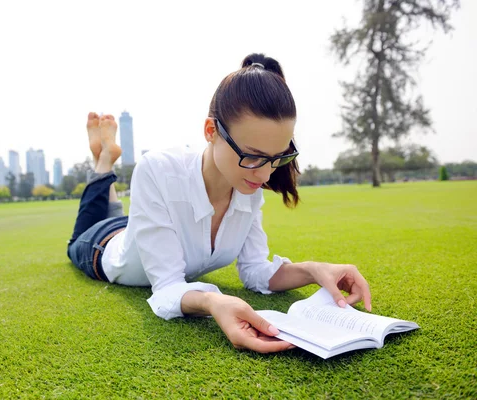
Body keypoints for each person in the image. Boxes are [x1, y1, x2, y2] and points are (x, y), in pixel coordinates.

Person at [67, 53, 372, 353]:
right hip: (102, 246)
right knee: (88, 225)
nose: (266, 174)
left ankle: (104, 160)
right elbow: (167, 288)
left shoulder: (248, 184)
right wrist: (213, 302)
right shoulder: (159, 169)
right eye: (252, 155)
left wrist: (314, 270)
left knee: (121, 214)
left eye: (277, 157)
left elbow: (255, 271)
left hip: (143, 227)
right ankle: (104, 161)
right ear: (211, 131)